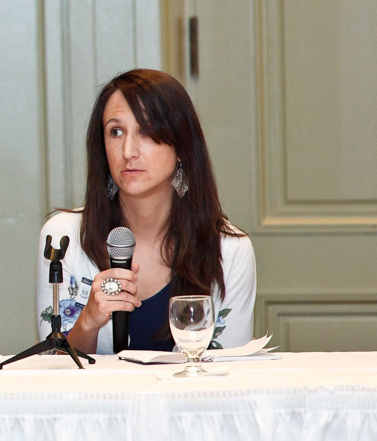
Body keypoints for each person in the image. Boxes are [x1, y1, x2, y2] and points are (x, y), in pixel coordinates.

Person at [36, 69, 256, 355]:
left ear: (181, 145)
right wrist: (88, 322)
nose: (128, 150)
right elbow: (52, 371)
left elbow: (229, 380)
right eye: (116, 132)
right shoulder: (64, 237)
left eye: (147, 131)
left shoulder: (230, 249)